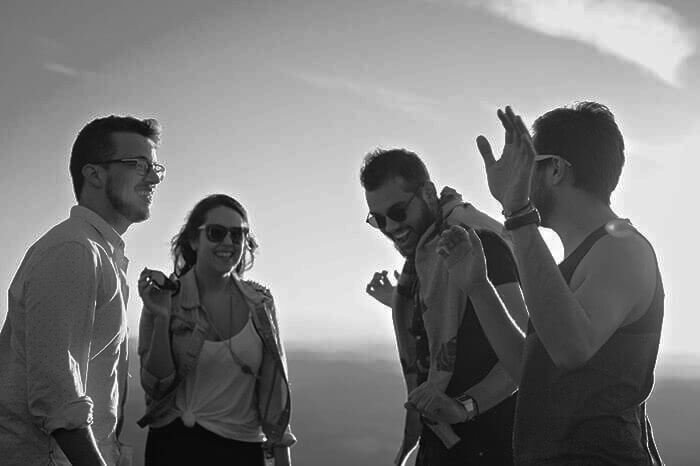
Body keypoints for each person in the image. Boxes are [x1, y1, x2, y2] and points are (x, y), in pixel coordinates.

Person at [419, 103, 664, 464]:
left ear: (555, 169)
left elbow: (571, 348)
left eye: (527, 165)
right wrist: (479, 287)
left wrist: (518, 213)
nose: (520, 177)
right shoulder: (578, 260)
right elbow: (534, 372)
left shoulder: (622, 249)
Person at [0, 115, 164, 465]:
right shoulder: (74, 250)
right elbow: (58, 398)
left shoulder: (102, 254)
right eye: (139, 165)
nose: (152, 178)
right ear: (94, 174)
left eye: (155, 168)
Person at [361, 148, 528, 465]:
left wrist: (464, 407)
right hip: (441, 447)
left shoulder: (478, 244)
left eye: (398, 212)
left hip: (493, 446)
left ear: (427, 193)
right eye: (378, 219)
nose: (390, 227)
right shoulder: (422, 263)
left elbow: (525, 355)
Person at [137, 194, 295, 466]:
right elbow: (156, 386)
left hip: (242, 451)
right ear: (193, 240)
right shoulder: (166, 297)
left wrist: (282, 457)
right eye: (216, 233)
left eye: (238, 235)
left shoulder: (260, 304)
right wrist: (162, 318)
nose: (228, 242)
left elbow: (274, 393)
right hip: (174, 448)